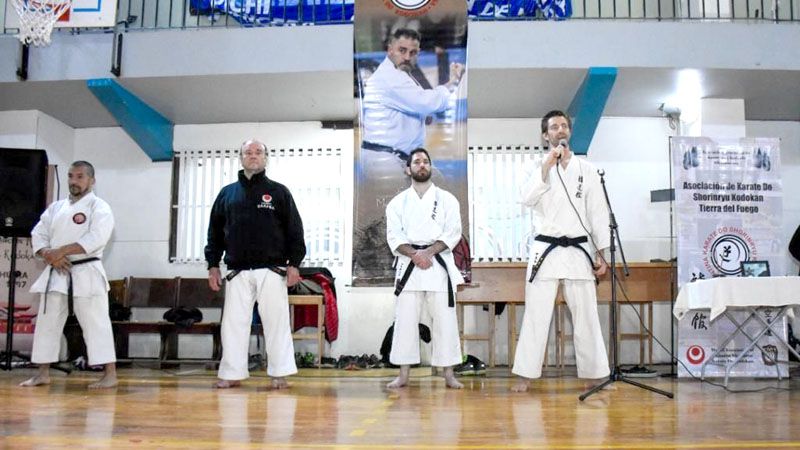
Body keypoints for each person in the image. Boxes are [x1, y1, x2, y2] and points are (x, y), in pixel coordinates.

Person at [511, 110, 611, 392]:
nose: (560, 130)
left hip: (579, 249)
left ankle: (594, 374)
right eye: (554, 127)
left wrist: (602, 253)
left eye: (564, 125)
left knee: (587, 315)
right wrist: (547, 166)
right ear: (546, 135)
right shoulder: (534, 167)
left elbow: (598, 213)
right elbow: (526, 198)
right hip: (546, 248)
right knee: (536, 314)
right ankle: (525, 375)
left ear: (570, 131)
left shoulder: (587, 170)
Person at [354, 28, 465, 282]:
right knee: (392, 221)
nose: (407, 56)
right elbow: (428, 103)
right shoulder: (389, 78)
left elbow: (419, 106)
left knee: (408, 215)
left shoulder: (402, 76)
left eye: (413, 52)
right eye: (402, 50)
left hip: (394, 159)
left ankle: (416, 261)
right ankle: (389, 269)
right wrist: (452, 82)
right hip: (385, 162)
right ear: (389, 50)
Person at [205, 139, 306, 390]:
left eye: (258, 152)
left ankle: (279, 373)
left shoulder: (279, 192)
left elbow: (295, 230)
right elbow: (214, 233)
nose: (253, 156)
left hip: (272, 269)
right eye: (248, 152)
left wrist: (294, 264)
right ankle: (232, 373)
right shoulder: (227, 194)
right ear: (241, 158)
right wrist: (212, 264)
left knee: (276, 323)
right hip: (237, 270)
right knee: (233, 325)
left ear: (265, 157)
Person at [20, 161, 117, 389]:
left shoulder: (99, 207)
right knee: (47, 323)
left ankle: (110, 375)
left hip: (86, 270)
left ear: (92, 180)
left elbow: (97, 238)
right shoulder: (56, 208)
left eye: (80, 176)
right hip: (56, 271)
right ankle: (42, 373)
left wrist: (60, 251)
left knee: (97, 324)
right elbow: (38, 234)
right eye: (71, 176)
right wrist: (48, 254)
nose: (74, 181)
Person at [385, 148, 465, 389]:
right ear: (408, 169)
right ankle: (403, 375)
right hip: (409, 265)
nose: (422, 165)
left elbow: (453, 233)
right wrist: (415, 255)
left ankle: (449, 374)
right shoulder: (397, 203)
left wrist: (428, 253)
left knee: (445, 321)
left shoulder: (447, 199)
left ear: (430, 167)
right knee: (405, 321)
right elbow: (394, 236)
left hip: (437, 264)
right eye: (417, 162)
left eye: (426, 162)